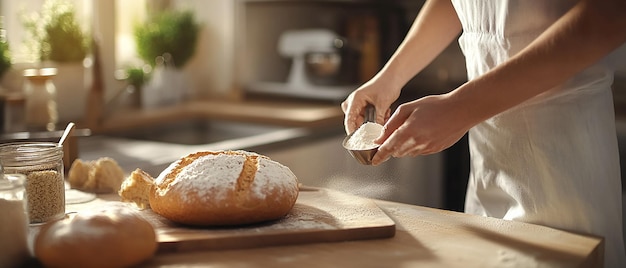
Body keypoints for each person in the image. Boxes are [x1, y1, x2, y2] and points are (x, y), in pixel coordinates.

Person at [341, 0, 626, 266]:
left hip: (563, 161)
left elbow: (610, 15)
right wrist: (390, 77)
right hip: (488, 160)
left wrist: (460, 108)